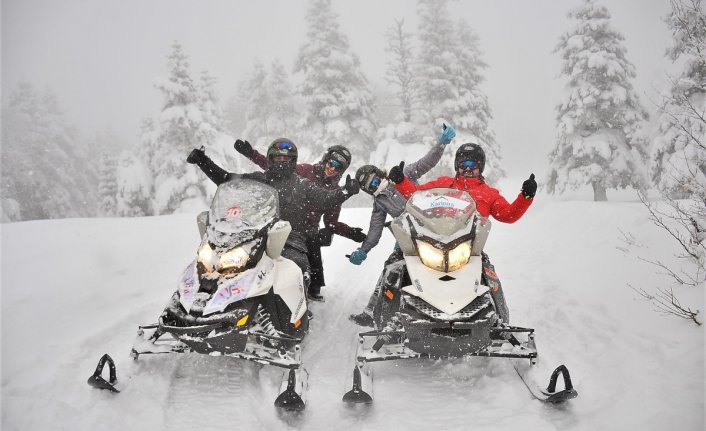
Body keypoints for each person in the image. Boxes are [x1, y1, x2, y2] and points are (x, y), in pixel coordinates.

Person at [385, 142, 538, 323]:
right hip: (433, 241)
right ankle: (386, 315)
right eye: (462, 164)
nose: (466, 169)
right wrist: (401, 181)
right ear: (456, 165)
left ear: (480, 167)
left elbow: (508, 215)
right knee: (399, 267)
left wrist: (525, 197)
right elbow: (416, 195)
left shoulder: (488, 194)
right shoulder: (443, 184)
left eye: (472, 165)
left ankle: (501, 321)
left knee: (488, 272)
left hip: (468, 246)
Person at [186, 138, 360, 297]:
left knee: (298, 263)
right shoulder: (270, 177)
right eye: (277, 159)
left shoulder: (302, 183)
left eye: (338, 167)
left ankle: (307, 292)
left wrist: (344, 193)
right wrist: (203, 161)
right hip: (262, 226)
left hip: (297, 232)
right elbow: (226, 179)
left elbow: (326, 201)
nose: (332, 168)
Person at [347, 124, 456, 326]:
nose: (373, 186)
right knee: (391, 269)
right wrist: (364, 249)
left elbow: (427, 163)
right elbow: (375, 230)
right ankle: (372, 312)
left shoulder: (402, 174)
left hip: (432, 229)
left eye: (373, 180)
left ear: (379, 173)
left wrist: (441, 144)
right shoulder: (379, 203)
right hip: (405, 240)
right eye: (368, 186)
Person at [233, 140, 366, 301]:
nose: (332, 168)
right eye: (331, 163)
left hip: (306, 230)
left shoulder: (334, 191)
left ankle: (308, 288)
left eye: (338, 167)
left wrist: (350, 232)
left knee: (313, 247)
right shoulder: (304, 170)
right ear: (326, 159)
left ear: (342, 171)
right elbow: (275, 168)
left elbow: (331, 222)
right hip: (280, 220)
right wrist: (251, 153)